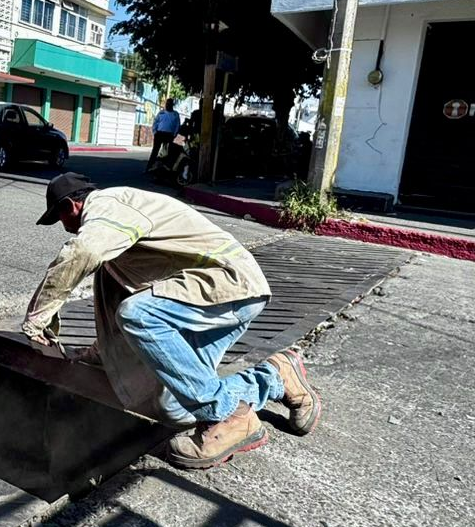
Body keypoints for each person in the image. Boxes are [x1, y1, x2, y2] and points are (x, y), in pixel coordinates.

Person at [22, 172, 322, 469]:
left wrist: (37, 318)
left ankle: (228, 417)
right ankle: (274, 377)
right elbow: (116, 312)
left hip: (227, 284)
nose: (67, 230)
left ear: (70, 208)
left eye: (60, 221)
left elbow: (82, 253)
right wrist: (97, 357)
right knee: (174, 407)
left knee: (137, 315)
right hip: (201, 298)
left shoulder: (107, 207)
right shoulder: (115, 249)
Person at [147, 98, 181, 171]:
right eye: (167, 103)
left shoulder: (175, 114)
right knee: (155, 151)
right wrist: (155, 132)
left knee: (168, 152)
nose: (168, 105)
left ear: (172, 105)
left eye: (170, 104)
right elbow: (155, 122)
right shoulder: (161, 113)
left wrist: (174, 135)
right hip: (159, 134)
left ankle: (165, 168)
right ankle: (149, 167)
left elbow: (177, 125)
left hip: (169, 135)